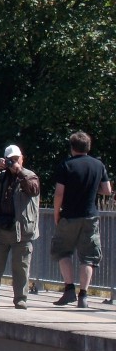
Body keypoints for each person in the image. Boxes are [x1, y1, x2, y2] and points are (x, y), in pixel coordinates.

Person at [50, 131, 112, 309]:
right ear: (88, 147)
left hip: (69, 216)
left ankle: (69, 289)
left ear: (72, 147)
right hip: (90, 216)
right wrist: (92, 190)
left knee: (62, 251)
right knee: (88, 257)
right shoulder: (98, 165)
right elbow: (107, 190)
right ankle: (83, 296)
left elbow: (59, 193)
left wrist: (56, 213)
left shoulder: (66, 165)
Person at [0, 144, 40, 309]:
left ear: (22, 158)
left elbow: (34, 190)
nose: (14, 162)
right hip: (0, 229)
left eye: (16, 159)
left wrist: (19, 171)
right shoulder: (1, 176)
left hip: (21, 231)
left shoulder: (29, 175)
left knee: (21, 267)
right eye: (10, 160)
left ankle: (20, 299)